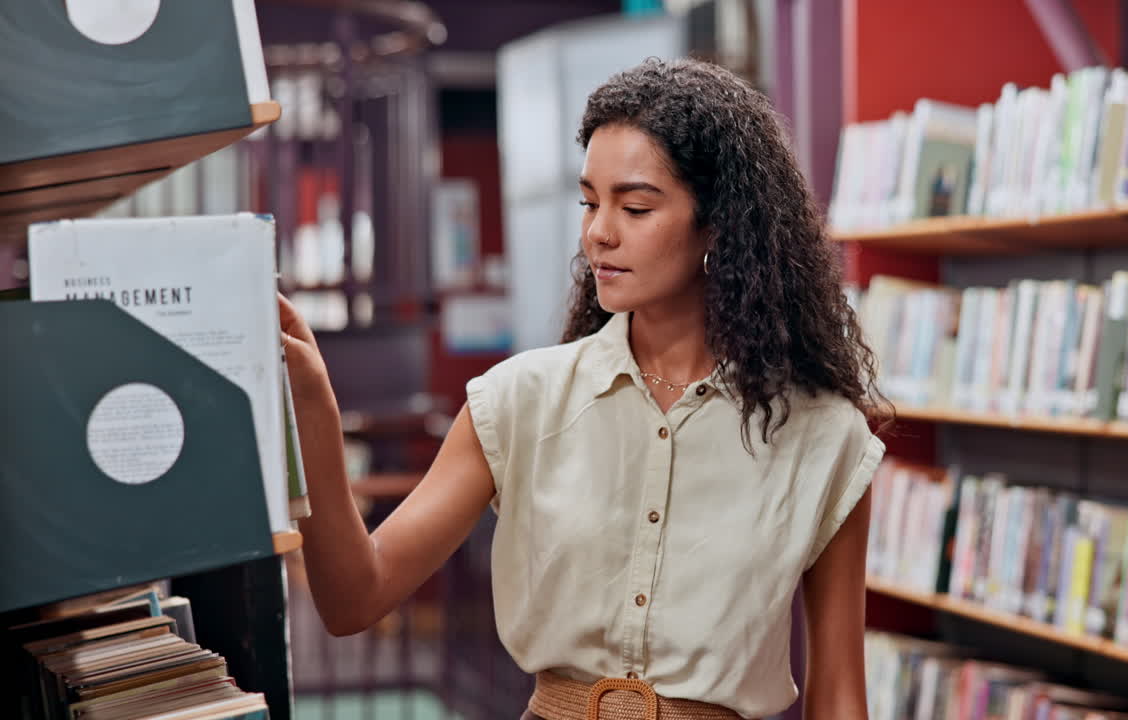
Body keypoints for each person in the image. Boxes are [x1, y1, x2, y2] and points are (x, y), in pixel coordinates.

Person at [280, 57, 887, 720]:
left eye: (634, 206)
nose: (599, 232)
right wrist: (312, 403)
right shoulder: (518, 401)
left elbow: (837, 692)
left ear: (719, 224)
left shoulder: (824, 436)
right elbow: (352, 599)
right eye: (590, 202)